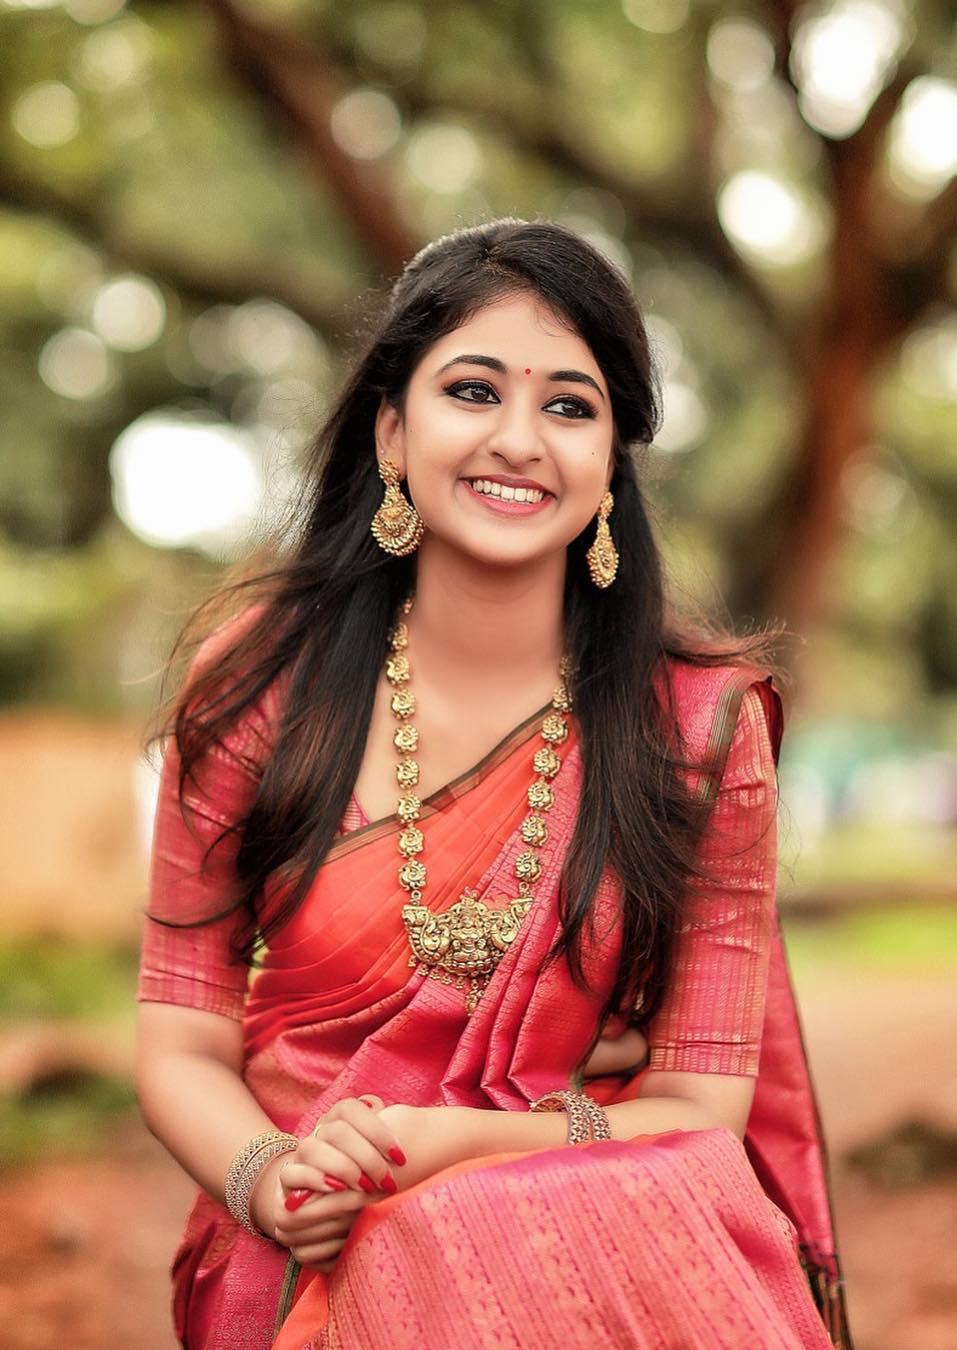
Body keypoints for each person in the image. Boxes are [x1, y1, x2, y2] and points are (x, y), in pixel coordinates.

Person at [135, 218, 852, 1349]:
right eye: (473, 390)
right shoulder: (258, 688)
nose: (520, 439)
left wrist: (464, 1149)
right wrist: (270, 1176)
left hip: (585, 1207)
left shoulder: (697, 727)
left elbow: (702, 1109)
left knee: (512, 1226)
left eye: (569, 405)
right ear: (391, 429)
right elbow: (178, 1042)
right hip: (306, 1217)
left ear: (612, 462)